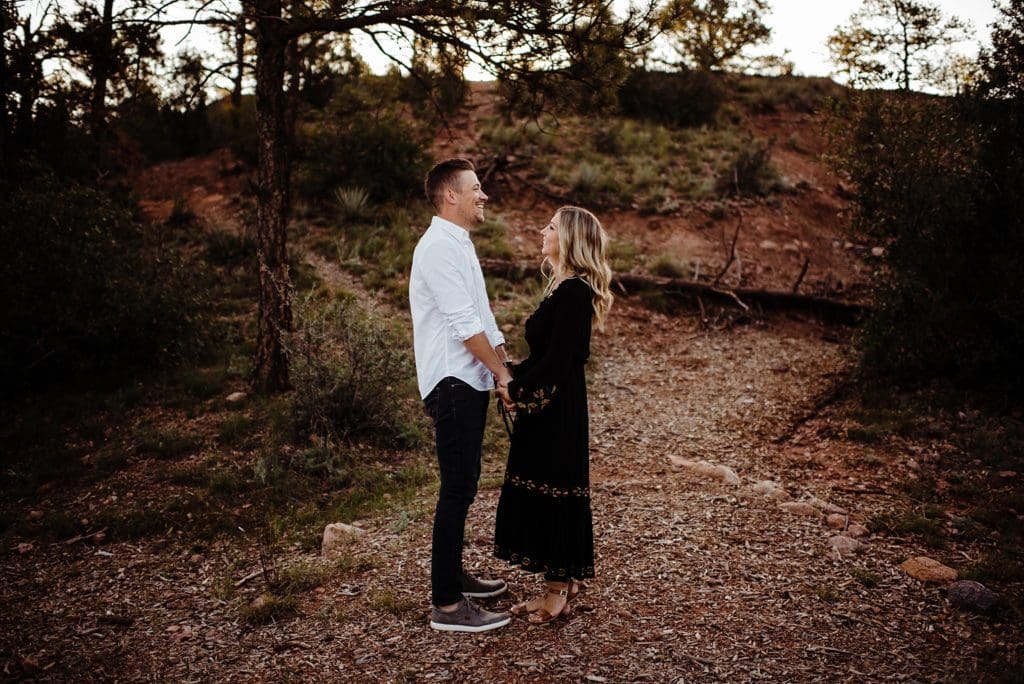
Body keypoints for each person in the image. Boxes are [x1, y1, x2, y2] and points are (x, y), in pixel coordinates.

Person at [493, 205, 614, 624]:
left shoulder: (576, 292)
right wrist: (513, 378)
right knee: (542, 487)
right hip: (548, 404)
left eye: (550, 227)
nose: (542, 231)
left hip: (558, 410)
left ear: (569, 240)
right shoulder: (561, 288)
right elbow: (545, 356)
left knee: (556, 489)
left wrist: (517, 387)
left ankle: (558, 590)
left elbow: (562, 360)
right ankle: (555, 582)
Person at [409, 158, 514, 633]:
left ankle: (454, 575)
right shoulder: (436, 248)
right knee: (456, 488)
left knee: (466, 483)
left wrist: (501, 364)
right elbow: (461, 324)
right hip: (451, 381)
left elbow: (482, 315)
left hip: (469, 378)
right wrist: (502, 375)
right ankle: (447, 605)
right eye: (476, 188)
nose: (483, 195)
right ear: (450, 195)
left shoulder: (459, 244)